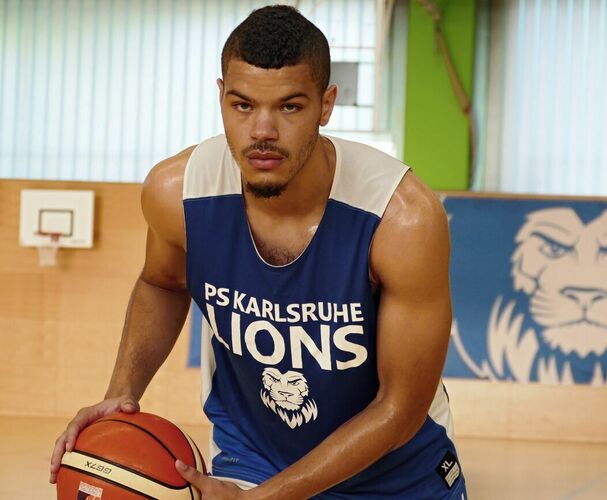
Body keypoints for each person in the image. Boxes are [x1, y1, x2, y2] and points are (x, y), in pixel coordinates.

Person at [50, 5, 467, 499]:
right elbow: (162, 282)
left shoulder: (400, 218)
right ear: (221, 97)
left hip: (395, 474)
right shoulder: (179, 191)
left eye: (289, 107)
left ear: (326, 105)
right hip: (253, 457)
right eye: (243, 105)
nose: (262, 131)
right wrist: (122, 393)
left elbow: (399, 409)